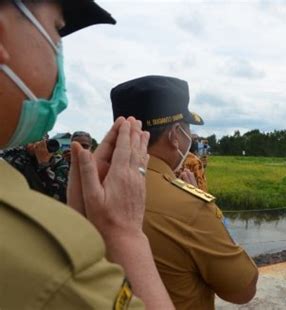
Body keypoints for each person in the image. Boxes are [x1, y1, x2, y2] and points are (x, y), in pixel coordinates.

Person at [0, 1, 174, 309]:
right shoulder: (51, 261)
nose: (59, 57)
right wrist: (123, 235)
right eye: (56, 29)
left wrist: (80, 224)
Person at [111, 75, 259, 309]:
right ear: (174, 135)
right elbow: (243, 289)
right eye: (187, 129)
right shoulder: (188, 205)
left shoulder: (90, 189)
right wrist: (210, 214)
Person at [1, 138, 69, 202]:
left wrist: (43, 164)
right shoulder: (14, 152)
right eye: (34, 140)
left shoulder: (59, 163)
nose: (39, 144)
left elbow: (56, 198)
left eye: (43, 140)